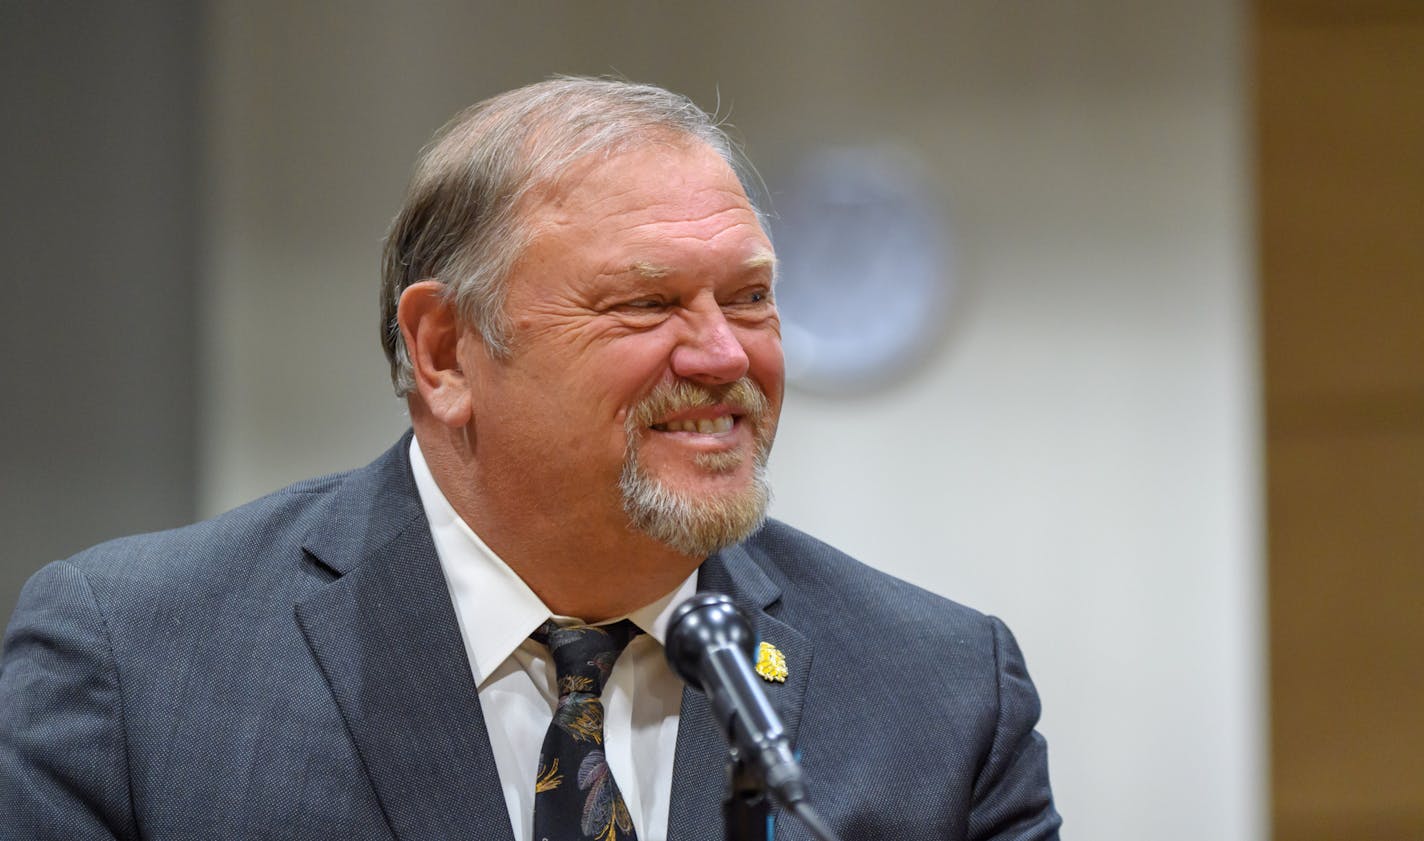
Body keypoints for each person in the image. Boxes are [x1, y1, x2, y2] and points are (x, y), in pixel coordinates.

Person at [0, 77, 1060, 841]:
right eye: (645, 303)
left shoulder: (940, 692)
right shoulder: (138, 664)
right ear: (445, 351)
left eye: (747, 297)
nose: (726, 353)